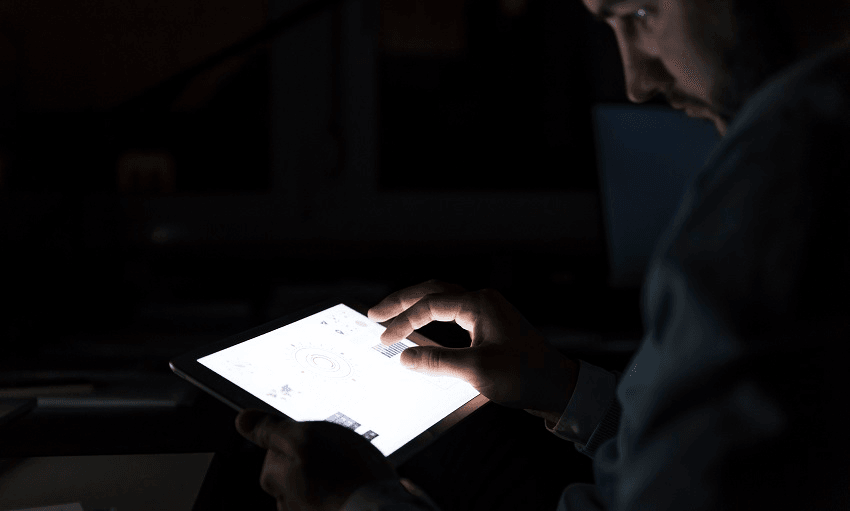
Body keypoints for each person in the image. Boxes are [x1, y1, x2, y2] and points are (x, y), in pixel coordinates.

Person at [234, 0, 850, 508]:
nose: (637, 83)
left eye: (638, 13)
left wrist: (356, 501)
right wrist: (560, 387)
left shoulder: (788, 172)